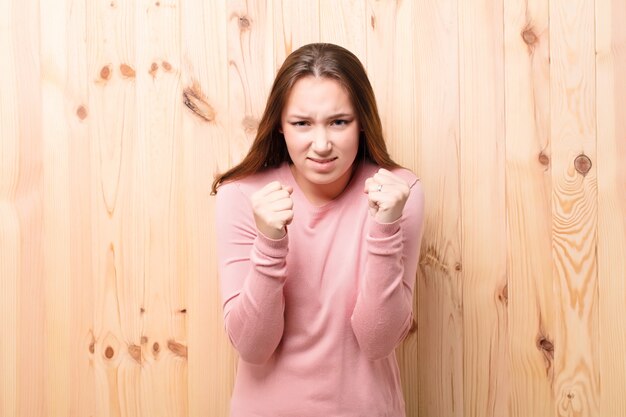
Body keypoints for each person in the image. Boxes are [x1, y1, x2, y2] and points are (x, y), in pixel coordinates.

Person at [212, 43, 425, 417]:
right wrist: (269, 243)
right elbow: (252, 346)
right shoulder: (241, 196)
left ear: (362, 122)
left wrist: (385, 226)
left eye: (339, 122)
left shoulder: (396, 191)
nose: (322, 144)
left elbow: (378, 340)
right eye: (302, 124)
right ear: (280, 125)